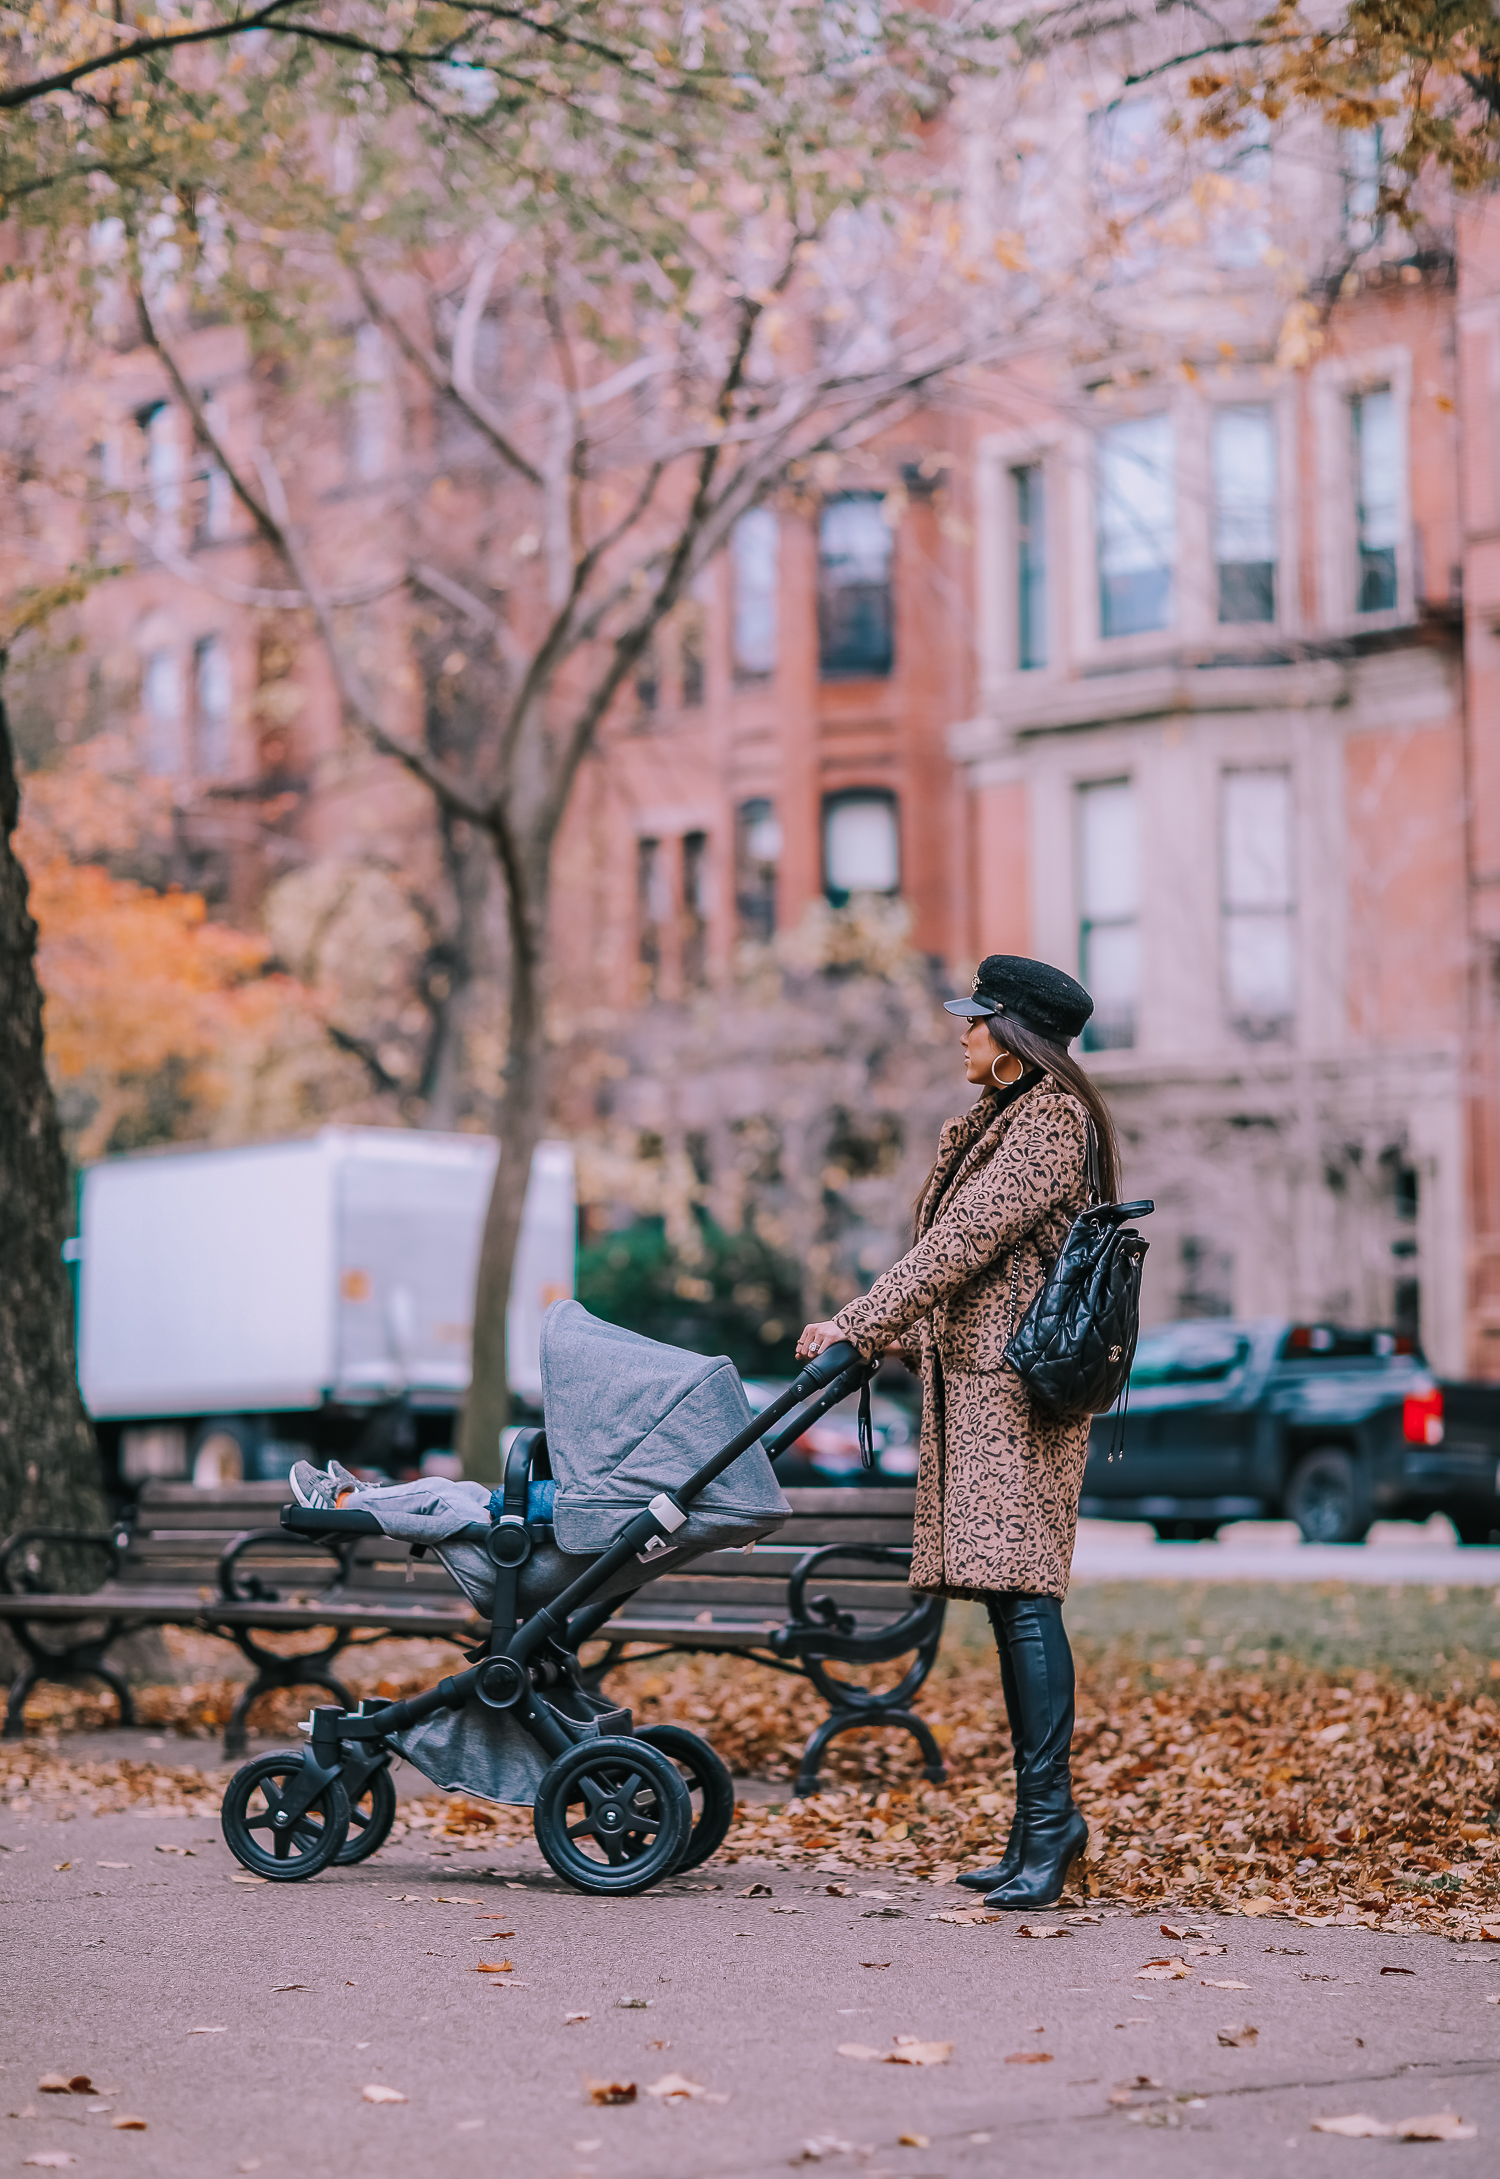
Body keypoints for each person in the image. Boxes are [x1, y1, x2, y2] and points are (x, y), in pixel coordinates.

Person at [796, 954, 1119, 1911]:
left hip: (1014, 1398)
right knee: (1008, 1598)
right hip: (978, 1390)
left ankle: (1052, 1823)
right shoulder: (1000, 1121)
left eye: (978, 1020)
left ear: (1016, 1041)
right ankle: (1038, 1824)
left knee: (1024, 1599)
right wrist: (885, 1332)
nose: (963, 1032)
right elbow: (964, 1262)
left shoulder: (1050, 1122)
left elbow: (962, 1242)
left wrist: (860, 1320)